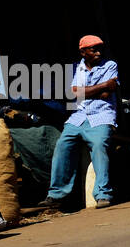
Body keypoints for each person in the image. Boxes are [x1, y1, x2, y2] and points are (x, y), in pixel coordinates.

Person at [39, 36, 119, 210]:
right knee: (62, 145)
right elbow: (75, 93)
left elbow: (106, 95)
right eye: (93, 49)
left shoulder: (110, 65)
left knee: (99, 146)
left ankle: (103, 194)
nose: (98, 52)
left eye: (100, 48)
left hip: (101, 115)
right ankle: (56, 194)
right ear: (83, 52)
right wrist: (103, 85)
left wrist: (88, 91)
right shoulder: (77, 68)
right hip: (79, 116)